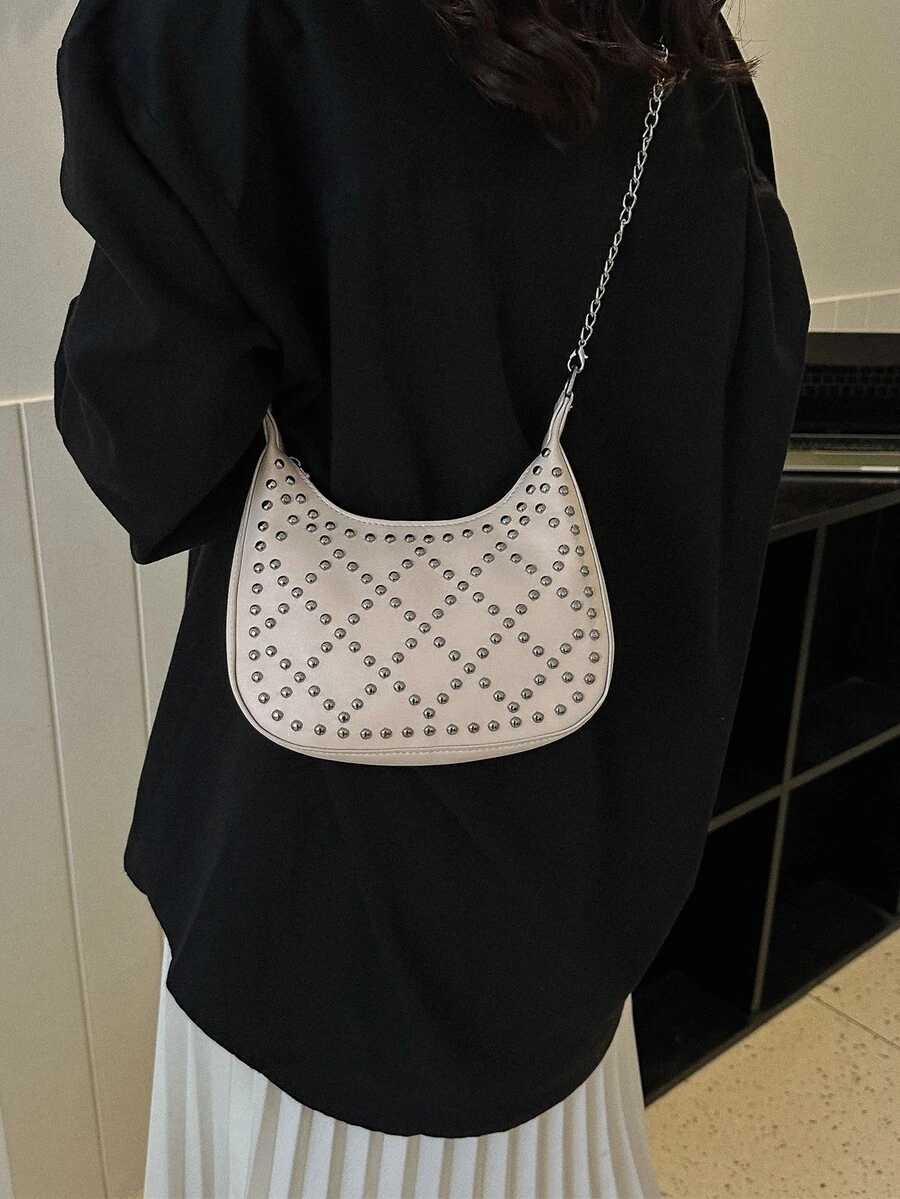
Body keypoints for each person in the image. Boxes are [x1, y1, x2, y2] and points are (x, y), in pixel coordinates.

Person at [54, 0, 810, 1195]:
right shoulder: (681, 46)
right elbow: (725, 447)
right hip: (578, 900)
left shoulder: (229, 25)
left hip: (313, 926)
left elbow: (147, 450)